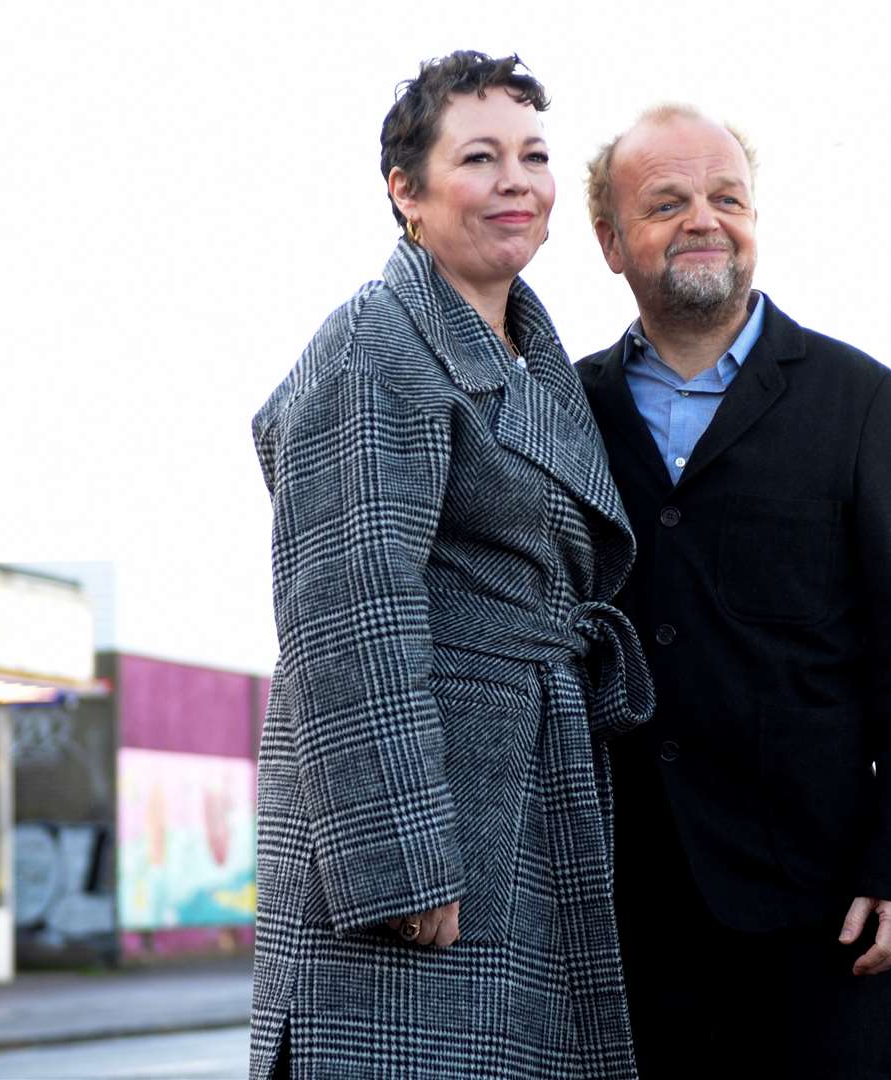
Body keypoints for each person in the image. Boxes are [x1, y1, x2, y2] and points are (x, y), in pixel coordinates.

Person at [248, 53, 652, 1080]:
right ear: (407, 191)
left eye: (534, 156)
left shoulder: (530, 358)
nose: (516, 181)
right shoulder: (371, 348)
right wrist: (402, 860)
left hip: (525, 790)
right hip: (434, 839)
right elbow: (347, 616)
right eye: (478, 157)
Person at [577, 104, 891, 1077]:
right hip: (623, 920)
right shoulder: (562, 408)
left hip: (822, 919)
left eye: (727, 197)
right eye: (667, 202)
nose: (704, 218)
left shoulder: (854, 398)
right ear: (610, 241)